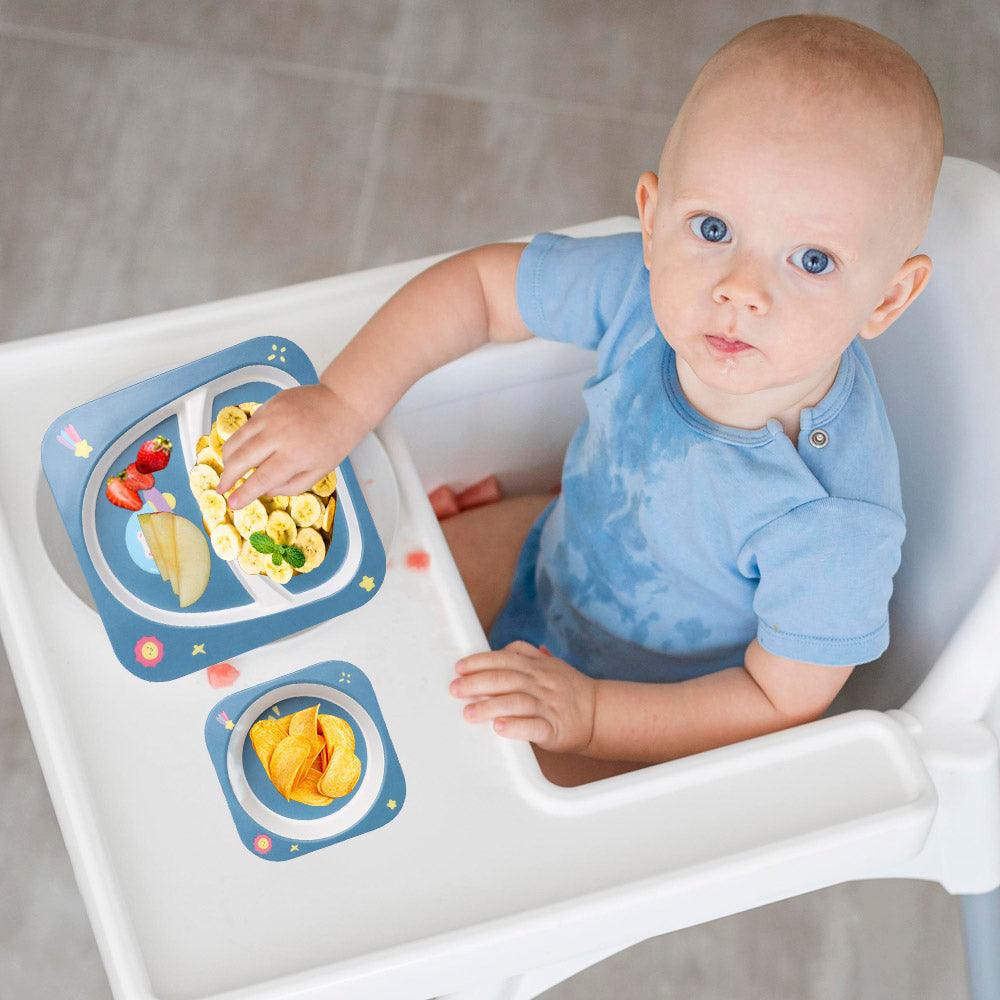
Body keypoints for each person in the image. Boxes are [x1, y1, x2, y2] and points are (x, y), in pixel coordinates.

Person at [216, 14, 944, 786]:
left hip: (660, 703)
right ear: (652, 218)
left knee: (468, 786)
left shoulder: (833, 523)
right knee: (348, 612)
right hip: (549, 556)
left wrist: (591, 713)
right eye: (712, 227)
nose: (741, 289)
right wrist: (341, 401)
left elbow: (781, 699)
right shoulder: (642, 286)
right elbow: (480, 288)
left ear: (887, 298)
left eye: (812, 260)